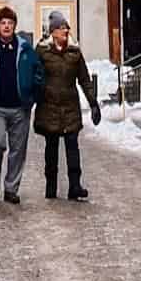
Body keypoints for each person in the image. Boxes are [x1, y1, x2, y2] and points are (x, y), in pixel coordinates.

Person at [0, 6, 43, 205]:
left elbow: (38, 72)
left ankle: (11, 188)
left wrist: (33, 96)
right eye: (3, 23)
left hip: (20, 108)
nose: (6, 26)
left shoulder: (25, 49)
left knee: (17, 151)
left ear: (14, 26)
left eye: (10, 23)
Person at [33, 11, 101, 201]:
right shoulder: (42, 52)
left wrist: (93, 103)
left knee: (73, 146)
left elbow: (85, 79)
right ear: (53, 31)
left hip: (70, 106)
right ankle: (51, 186)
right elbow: (33, 77)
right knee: (51, 148)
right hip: (49, 106)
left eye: (66, 28)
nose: (66, 31)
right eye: (62, 28)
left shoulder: (74, 52)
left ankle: (75, 186)